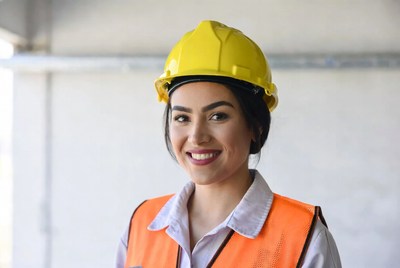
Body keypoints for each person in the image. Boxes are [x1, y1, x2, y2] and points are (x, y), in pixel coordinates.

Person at [116, 20, 341, 268]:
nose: (196, 136)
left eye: (218, 116)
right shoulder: (142, 224)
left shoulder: (303, 238)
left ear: (256, 126)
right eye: (182, 117)